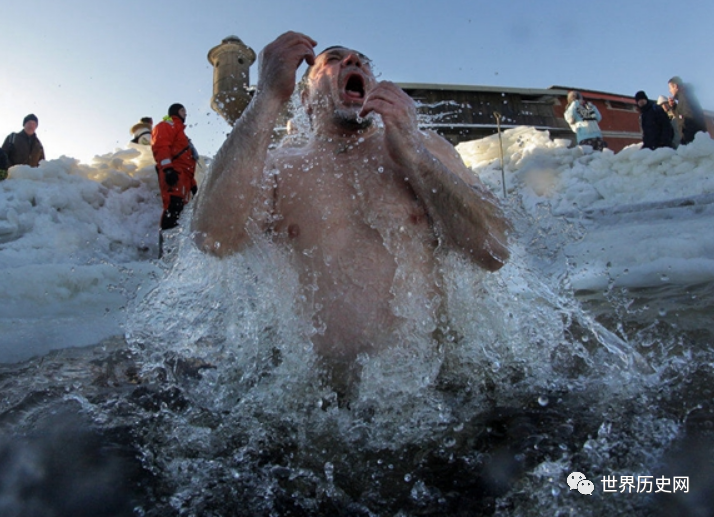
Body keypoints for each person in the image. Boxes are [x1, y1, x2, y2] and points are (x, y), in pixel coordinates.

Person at [191, 32, 510, 387]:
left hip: (437, 391)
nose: (353, 61)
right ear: (306, 99)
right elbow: (212, 237)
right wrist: (267, 96)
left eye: (363, 61)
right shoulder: (280, 167)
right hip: (320, 400)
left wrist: (414, 156)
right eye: (332, 59)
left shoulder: (424, 146)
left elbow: (494, 250)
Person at [151, 104, 198, 232]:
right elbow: (161, 145)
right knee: (173, 207)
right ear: (175, 111)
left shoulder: (182, 133)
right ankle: (166, 243)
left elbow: (187, 163)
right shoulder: (167, 125)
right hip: (174, 173)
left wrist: (193, 185)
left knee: (181, 213)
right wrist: (167, 169)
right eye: (183, 110)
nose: (185, 113)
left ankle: (175, 243)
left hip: (184, 178)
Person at [668, 76, 708, 146]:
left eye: (670, 88)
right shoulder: (684, 97)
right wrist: (674, 107)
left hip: (693, 140)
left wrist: (686, 138)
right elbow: (681, 116)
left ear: (675, 86)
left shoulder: (684, 98)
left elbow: (689, 118)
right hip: (694, 138)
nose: (670, 91)